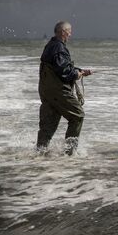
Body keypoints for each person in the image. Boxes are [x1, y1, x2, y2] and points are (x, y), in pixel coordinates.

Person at [36, 21, 92, 155]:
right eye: (69, 31)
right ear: (63, 32)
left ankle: (39, 154)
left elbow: (59, 67)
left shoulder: (50, 45)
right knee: (78, 116)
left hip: (46, 91)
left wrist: (80, 71)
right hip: (58, 91)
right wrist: (76, 74)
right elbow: (64, 71)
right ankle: (69, 153)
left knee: (49, 125)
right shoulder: (59, 48)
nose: (70, 34)